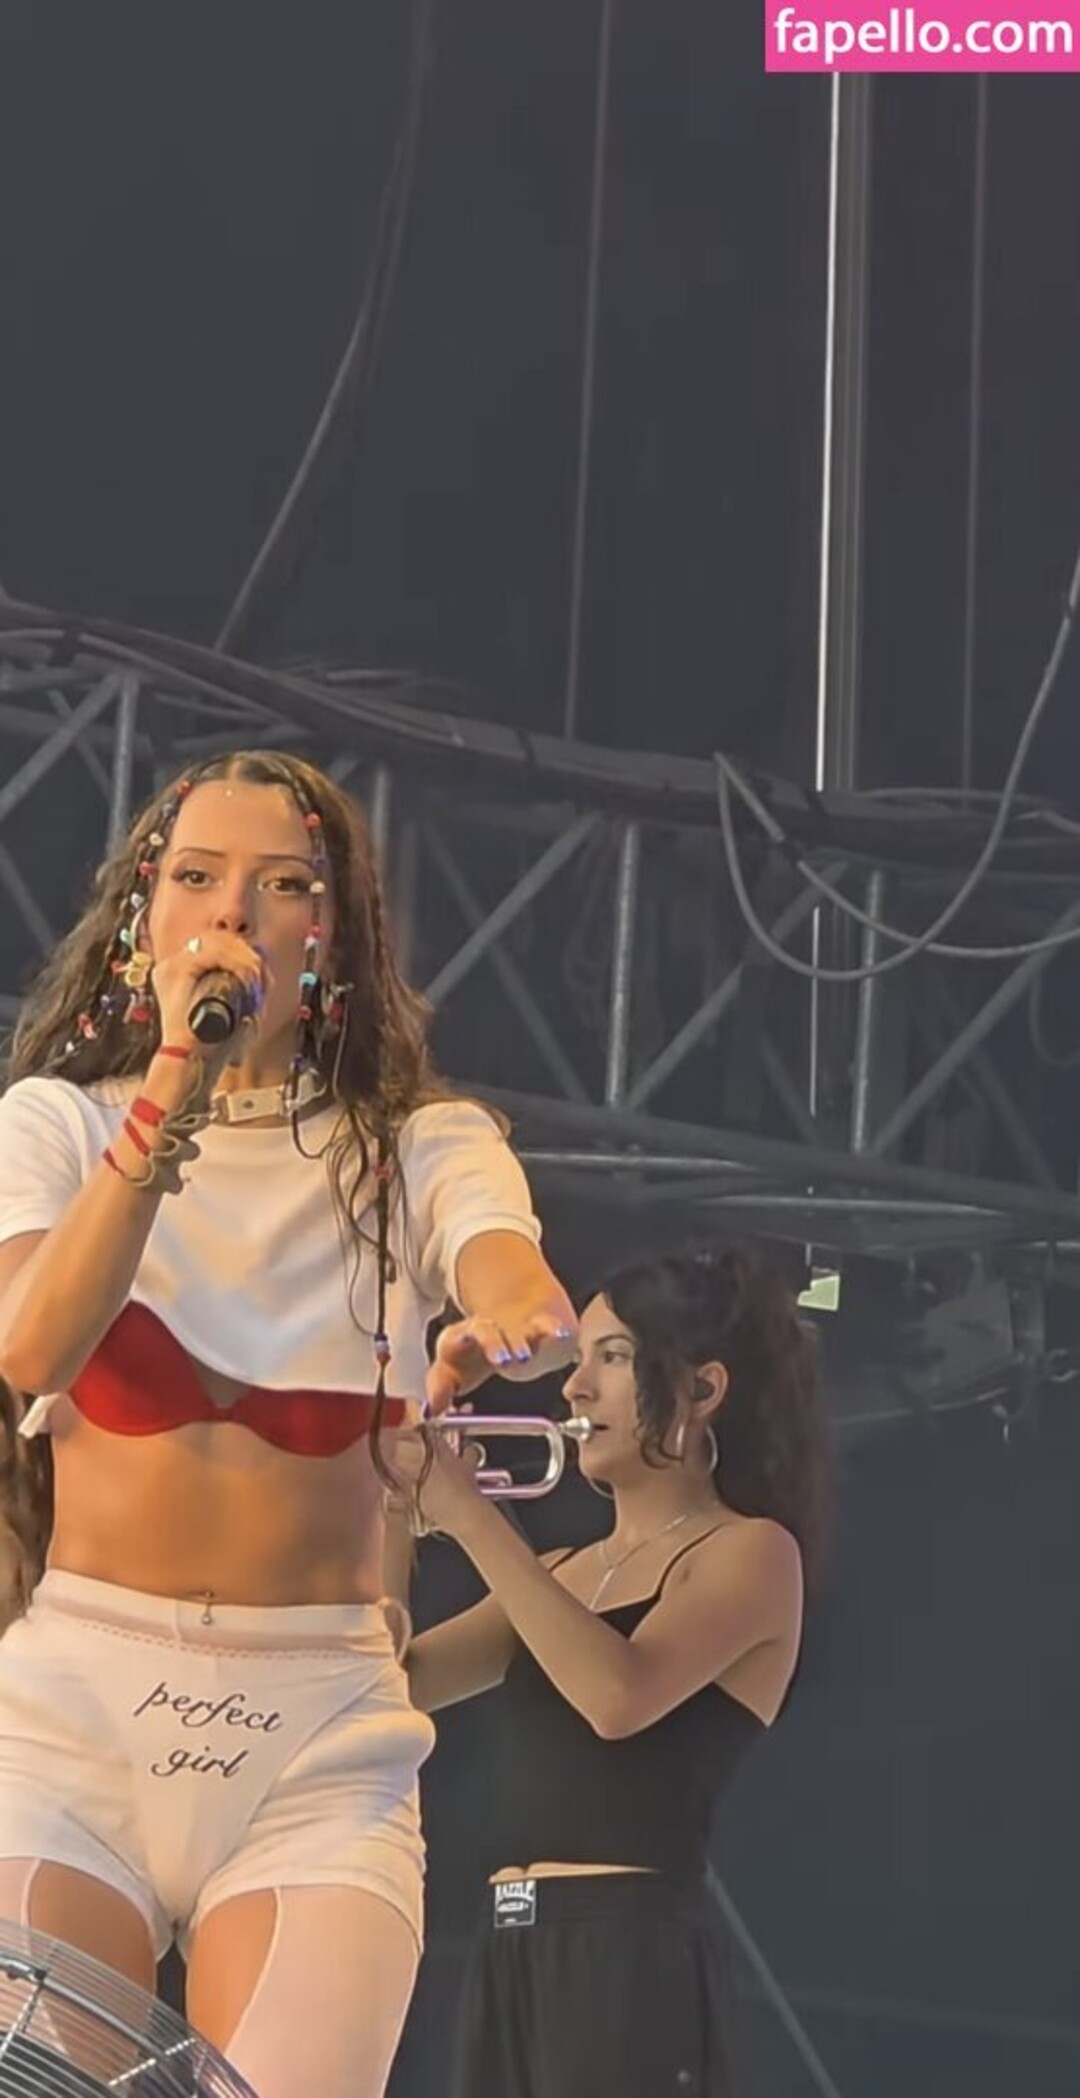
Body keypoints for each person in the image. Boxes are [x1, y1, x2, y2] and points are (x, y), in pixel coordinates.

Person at [0, 749, 575, 2098]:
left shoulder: (415, 1144)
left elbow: (504, 1260)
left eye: (282, 884)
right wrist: (176, 1080)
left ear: (336, 933)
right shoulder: (55, 1125)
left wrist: (511, 1312)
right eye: (198, 876)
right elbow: (31, 1343)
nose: (234, 911)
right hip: (71, 1718)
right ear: (142, 916)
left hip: (315, 1736)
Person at [394, 1244, 830, 2098]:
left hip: (626, 1951)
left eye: (615, 1358)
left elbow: (617, 1697)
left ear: (703, 1389)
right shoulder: (558, 1571)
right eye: (581, 1358)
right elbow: (391, 1683)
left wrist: (471, 1517)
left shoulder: (752, 1553)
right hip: (505, 1945)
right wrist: (391, 1498)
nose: (576, 1388)